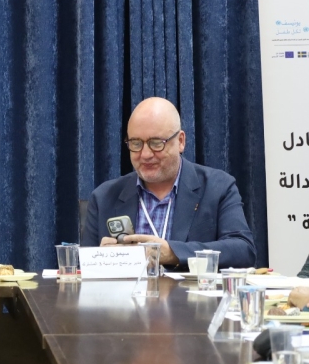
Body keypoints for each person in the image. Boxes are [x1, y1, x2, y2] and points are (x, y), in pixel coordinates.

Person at [82, 97, 256, 270]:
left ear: (180, 141)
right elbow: (82, 272)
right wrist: (99, 260)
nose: (145, 154)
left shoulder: (218, 187)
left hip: (191, 297)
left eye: (156, 143)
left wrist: (172, 253)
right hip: (128, 297)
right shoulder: (104, 197)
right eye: (136, 143)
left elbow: (243, 250)